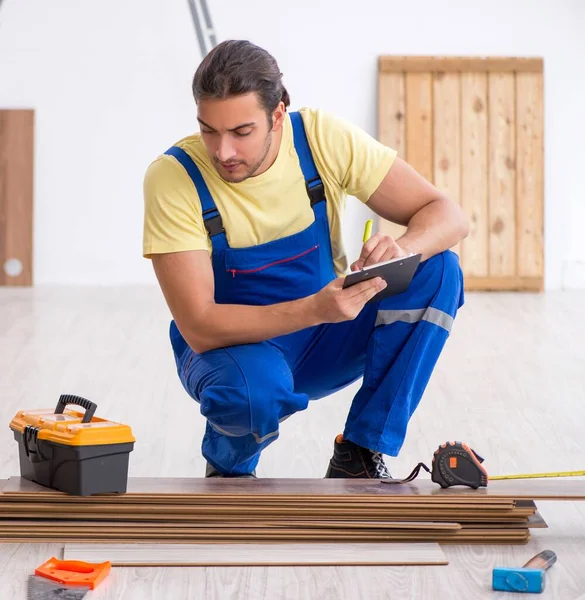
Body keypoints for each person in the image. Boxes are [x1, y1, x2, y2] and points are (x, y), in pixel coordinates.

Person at [142, 39, 469, 479]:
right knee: (250, 393)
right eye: (209, 131)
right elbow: (199, 326)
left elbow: (448, 215)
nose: (223, 152)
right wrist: (315, 308)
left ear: (277, 115)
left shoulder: (318, 140)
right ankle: (228, 470)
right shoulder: (174, 177)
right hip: (233, 354)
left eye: (241, 132)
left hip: (325, 336)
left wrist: (403, 250)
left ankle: (360, 453)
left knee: (438, 269)